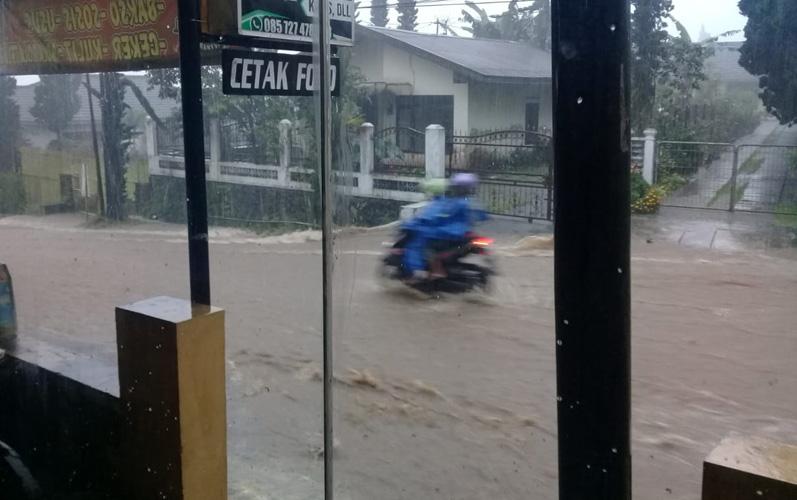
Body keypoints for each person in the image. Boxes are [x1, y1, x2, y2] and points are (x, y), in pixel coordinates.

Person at [401, 174, 487, 281]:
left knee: (425, 248)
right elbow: (482, 216)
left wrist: (411, 224)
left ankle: (436, 272)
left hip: (449, 234)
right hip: (463, 234)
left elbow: (433, 218)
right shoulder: (469, 202)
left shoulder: (450, 203)